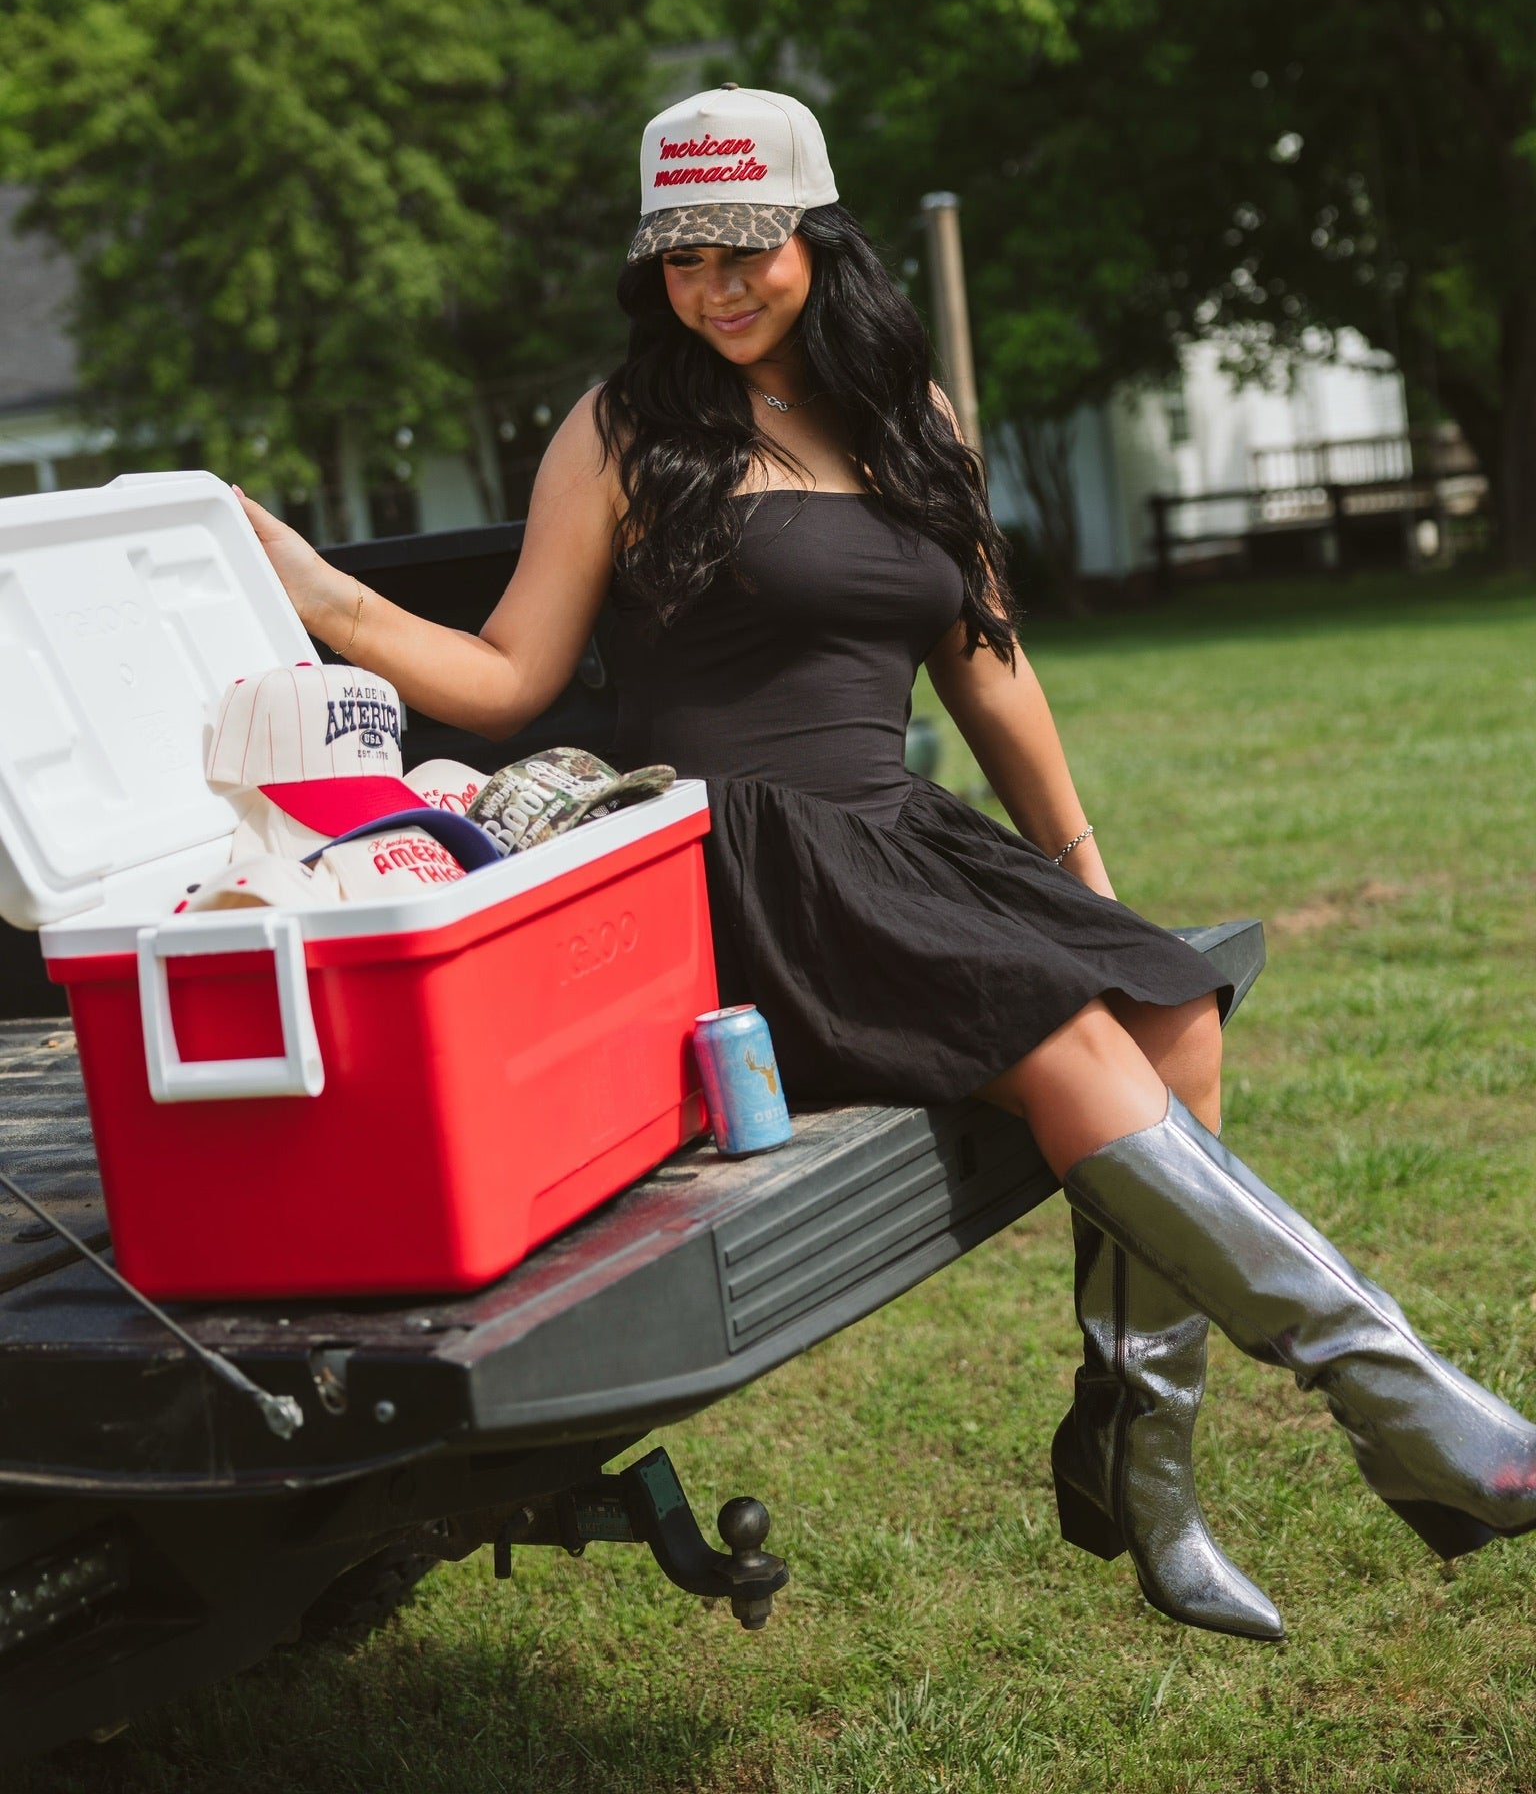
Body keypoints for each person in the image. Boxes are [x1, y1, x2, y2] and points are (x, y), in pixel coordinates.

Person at [241, 84, 1536, 1643]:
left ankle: (1138, 1455)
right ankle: (1408, 1401)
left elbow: (988, 661)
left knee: (1175, 1009)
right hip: (738, 853)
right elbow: (512, 675)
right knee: (1069, 1043)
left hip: (898, 831)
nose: (716, 287)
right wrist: (321, 590)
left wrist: (1084, 880)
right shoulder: (627, 425)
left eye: (748, 249)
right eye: (682, 258)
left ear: (817, 234)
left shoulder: (903, 409)